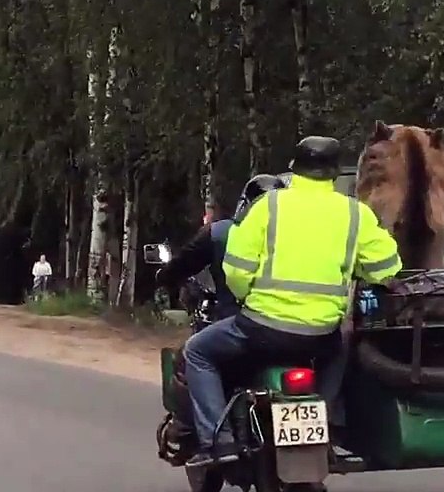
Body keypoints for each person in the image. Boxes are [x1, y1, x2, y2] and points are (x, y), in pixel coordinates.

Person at [182, 136, 401, 468]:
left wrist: (246, 299)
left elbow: (236, 270)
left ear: (294, 169)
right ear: (334, 173)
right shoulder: (355, 214)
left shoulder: (267, 207)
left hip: (261, 329)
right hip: (320, 336)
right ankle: (326, 422)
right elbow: (387, 269)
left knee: (197, 352)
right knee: (343, 345)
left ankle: (220, 439)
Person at [155, 174, 288, 321]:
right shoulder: (299, 237)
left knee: (195, 344)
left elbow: (185, 262)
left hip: (239, 323)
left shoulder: (220, 232)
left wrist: (165, 276)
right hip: (295, 327)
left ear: (244, 204)